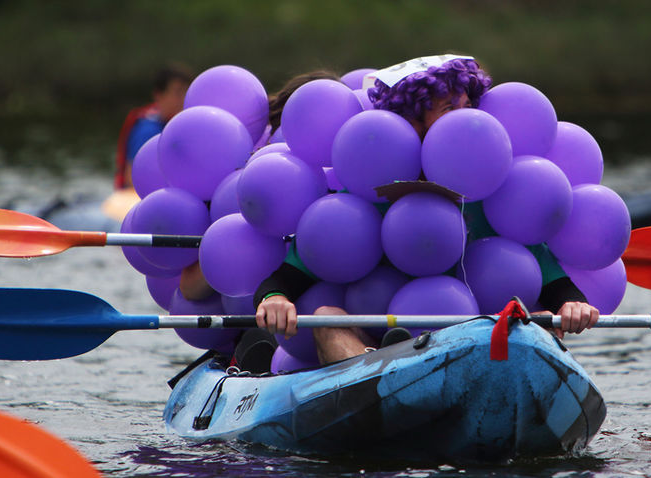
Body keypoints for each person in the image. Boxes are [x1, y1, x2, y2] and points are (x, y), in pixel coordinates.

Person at [244, 55, 600, 366]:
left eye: (468, 109)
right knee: (325, 316)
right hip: (376, 342)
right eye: (449, 111)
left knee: (536, 319)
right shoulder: (362, 195)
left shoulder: (493, 192)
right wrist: (274, 300)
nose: (467, 122)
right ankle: (369, 379)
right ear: (414, 123)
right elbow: (284, 279)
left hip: (477, 340)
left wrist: (573, 305)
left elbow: (552, 280)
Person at [113, 66, 192, 189]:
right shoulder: (147, 130)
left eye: (186, 92)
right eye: (178, 92)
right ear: (158, 95)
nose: (184, 98)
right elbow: (132, 179)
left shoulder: (189, 127)